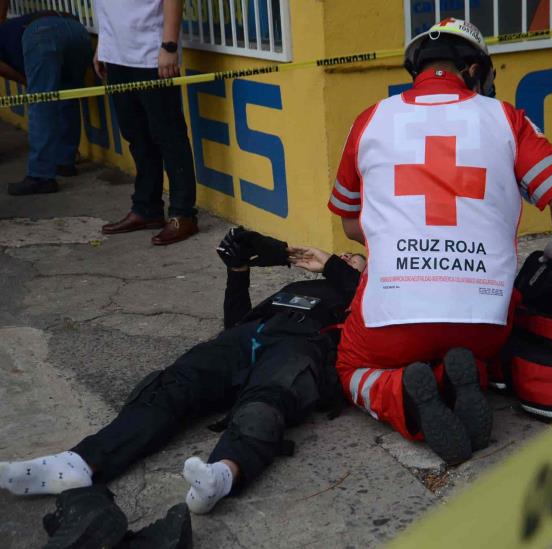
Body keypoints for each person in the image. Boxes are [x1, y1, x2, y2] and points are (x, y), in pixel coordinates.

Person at [0, 228, 365, 546]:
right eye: (346, 255)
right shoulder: (299, 286)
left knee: (266, 403)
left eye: (356, 259)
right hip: (249, 337)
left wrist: (337, 266)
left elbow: (373, 310)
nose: (347, 257)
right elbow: (236, 324)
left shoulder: (366, 294)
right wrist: (237, 271)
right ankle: (79, 461)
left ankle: (222, 474)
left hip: (302, 346)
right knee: (173, 384)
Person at [328, 18, 552, 465]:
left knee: (350, 367)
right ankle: (461, 371)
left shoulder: (370, 120)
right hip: (485, 323)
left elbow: (351, 223)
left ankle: (406, 394)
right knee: (469, 344)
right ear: (472, 70)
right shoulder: (506, 118)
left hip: (392, 324)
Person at [94, 0, 199, 245]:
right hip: (117, 54)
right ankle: (146, 208)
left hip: (151, 53)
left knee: (169, 134)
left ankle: (183, 214)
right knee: (136, 136)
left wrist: (169, 45)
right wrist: (103, 46)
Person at [0, 7, 92, 195]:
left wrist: (28, 83)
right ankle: (65, 161)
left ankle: (40, 176)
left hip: (42, 33)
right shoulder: (9, 29)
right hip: (78, 30)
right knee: (68, 95)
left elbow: (6, 70)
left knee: (41, 105)